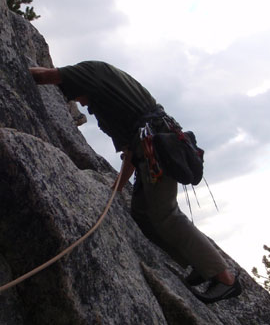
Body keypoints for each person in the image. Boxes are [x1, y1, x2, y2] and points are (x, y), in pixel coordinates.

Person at [30, 60, 241, 303]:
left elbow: (45, 76)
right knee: (142, 215)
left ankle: (225, 279)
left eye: (80, 98)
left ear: (81, 84)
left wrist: (18, 67)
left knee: (166, 214)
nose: (83, 104)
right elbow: (130, 154)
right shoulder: (110, 105)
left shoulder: (91, 71)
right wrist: (116, 189)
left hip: (157, 147)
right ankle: (197, 264)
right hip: (150, 150)